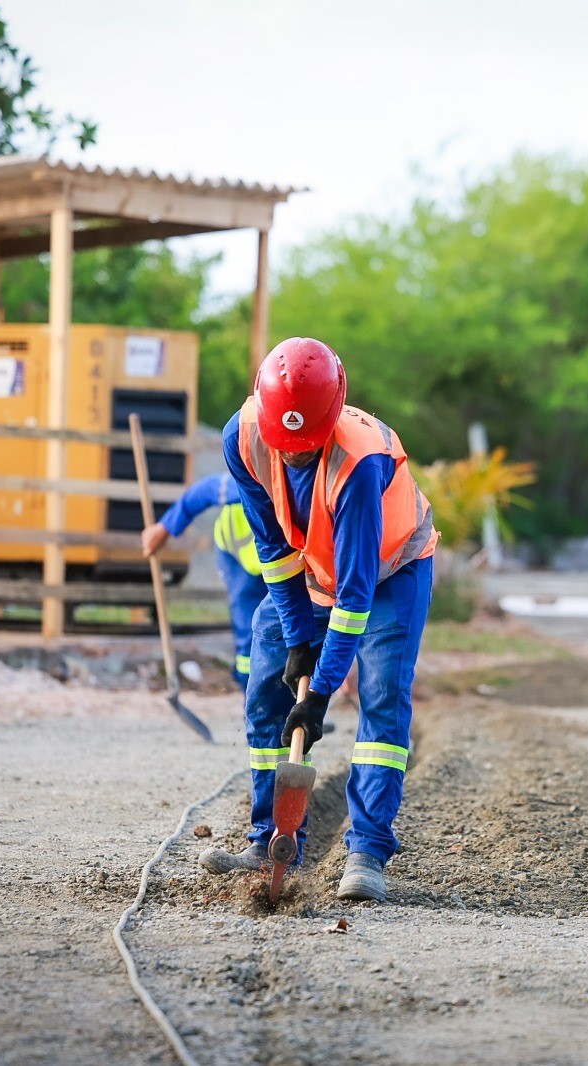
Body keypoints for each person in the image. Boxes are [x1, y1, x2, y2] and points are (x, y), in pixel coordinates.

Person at [197, 337, 437, 902]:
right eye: (291, 446)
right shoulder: (245, 437)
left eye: (307, 447)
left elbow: (354, 596)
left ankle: (367, 852)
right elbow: (273, 551)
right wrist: (300, 640)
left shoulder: (360, 460)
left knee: (380, 699)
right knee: (266, 689)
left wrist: (322, 690)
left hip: (390, 574)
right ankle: (272, 838)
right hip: (309, 572)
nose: (298, 456)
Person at [140, 476, 264, 689]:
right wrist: (165, 527)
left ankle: (297, 711)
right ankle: (254, 706)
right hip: (238, 558)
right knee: (250, 634)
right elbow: (205, 491)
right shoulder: (254, 484)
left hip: (281, 563)